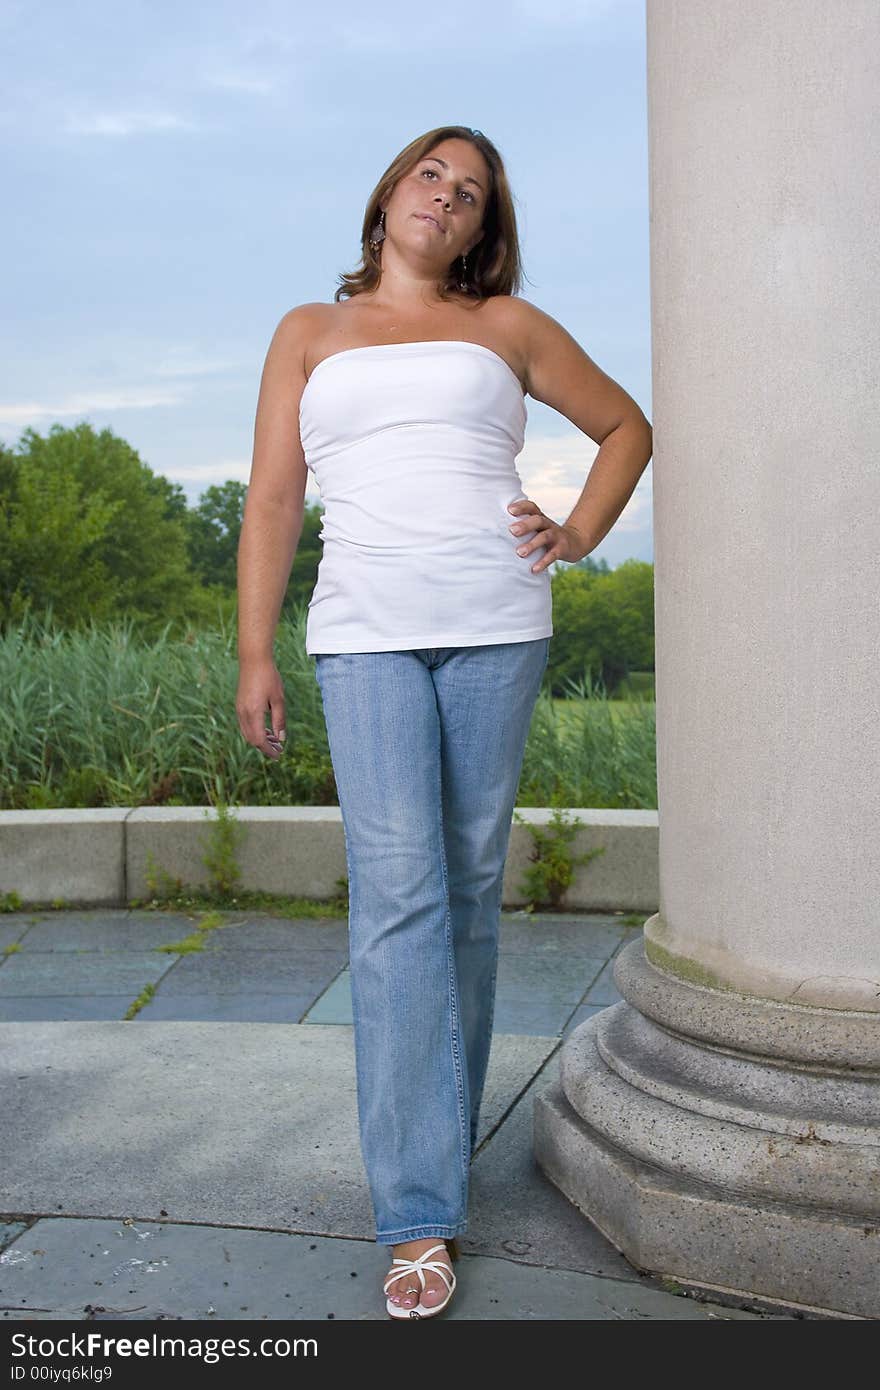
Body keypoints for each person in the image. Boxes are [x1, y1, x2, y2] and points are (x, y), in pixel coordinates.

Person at [236, 124, 653, 1320]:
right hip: (360, 632)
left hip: (496, 621)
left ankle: (434, 1147)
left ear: (483, 226)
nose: (448, 196)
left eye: (470, 193)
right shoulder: (307, 334)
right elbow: (272, 495)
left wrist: (575, 534)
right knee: (399, 893)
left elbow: (627, 428)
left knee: (466, 889)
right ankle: (418, 1209)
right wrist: (255, 647)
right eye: (432, 173)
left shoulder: (506, 327)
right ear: (388, 195)